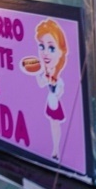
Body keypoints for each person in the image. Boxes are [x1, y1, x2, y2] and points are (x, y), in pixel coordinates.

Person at [33, 19, 69, 161]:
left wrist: (57, 93)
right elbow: (41, 84)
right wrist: (36, 72)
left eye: (52, 48)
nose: (45, 53)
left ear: (61, 52)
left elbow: (60, 90)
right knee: (52, 124)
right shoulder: (47, 73)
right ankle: (55, 149)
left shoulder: (58, 78)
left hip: (55, 102)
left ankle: (56, 149)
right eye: (41, 46)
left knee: (55, 125)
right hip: (50, 102)